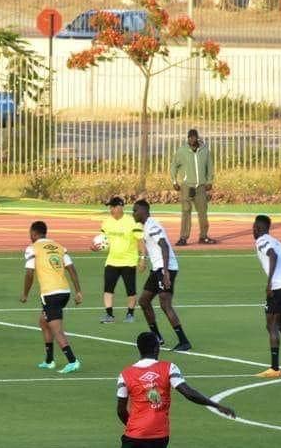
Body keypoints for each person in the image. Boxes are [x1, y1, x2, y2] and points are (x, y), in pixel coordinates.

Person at [20, 221, 84, 373]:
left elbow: (29, 273)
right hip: (64, 292)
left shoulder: (32, 248)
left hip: (51, 293)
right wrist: (78, 291)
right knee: (44, 322)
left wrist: (25, 293)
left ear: (34, 234)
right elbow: (71, 269)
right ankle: (49, 360)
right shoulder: (59, 247)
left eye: (30, 233)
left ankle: (72, 361)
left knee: (56, 329)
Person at [132, 200, 193, 352]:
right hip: (158, 269)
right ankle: (157, 337)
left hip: (165, 268)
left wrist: (165, 272)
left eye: (135, 211)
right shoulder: (147, 226)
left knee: (165, 305)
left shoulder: (152, 225)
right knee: (144, 301)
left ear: (143, 211)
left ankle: (184, 341)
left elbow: (164, 246)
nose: (133, 213)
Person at [252, 214, 281, 378]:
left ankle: (274, 368)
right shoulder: (278, 242)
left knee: (271, 326)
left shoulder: (262, 241)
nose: (253, 230)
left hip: (277, 288)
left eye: (254, 227)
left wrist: (270, 282)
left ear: (258, 228)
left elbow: (272, 255)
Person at [92, 196, 145, 324]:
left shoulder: (133, 221)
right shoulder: (106, 222)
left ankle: (130, 314)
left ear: (120, 207)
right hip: (111, 261)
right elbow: (105, 242)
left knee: (130, 291)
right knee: (108, 289)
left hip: (129, 261)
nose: (111, 209)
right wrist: (96, 248)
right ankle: (109, 315)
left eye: (113, 207)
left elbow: (140, 241)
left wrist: (142, 258)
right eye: (110, 207)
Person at [170, 128, 217, 246]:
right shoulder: (182, 151)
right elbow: (174, 166)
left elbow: (210, 167)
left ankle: (203, 236)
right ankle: (183, 237)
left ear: (197, 137)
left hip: (200, 186)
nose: (192, 139)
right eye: (189, 137)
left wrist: (209, 181)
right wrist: (174, 181)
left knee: (202, 212)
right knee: (186, 211)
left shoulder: (205, 151)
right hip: (186, 186)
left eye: (194, 137)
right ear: (187, 138)